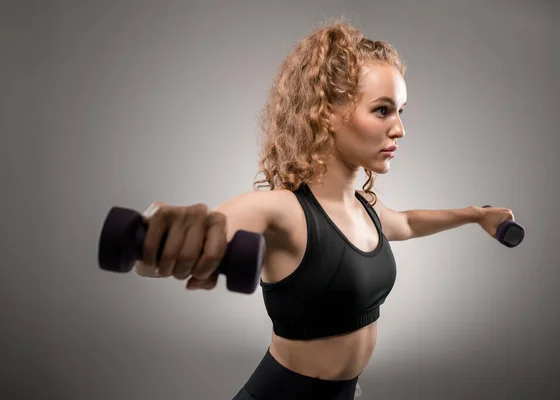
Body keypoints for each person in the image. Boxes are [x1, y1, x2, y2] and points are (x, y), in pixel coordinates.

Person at [134, 18, 516, 400]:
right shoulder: (283, 211)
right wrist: (159, 236)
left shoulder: (365, 207)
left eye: (401, 111)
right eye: (382, 110)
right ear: (328, 112)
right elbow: (188, 239)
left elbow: (407, 222)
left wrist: (474, 214)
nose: (399, 129)